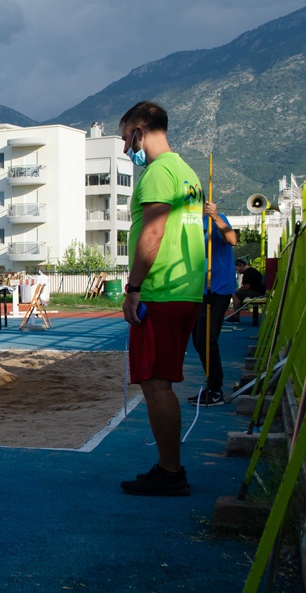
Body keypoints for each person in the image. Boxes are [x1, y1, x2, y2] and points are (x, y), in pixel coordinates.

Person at [118, 101, 205, 496]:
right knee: (162, 380)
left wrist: (133, 288)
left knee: (156, 384)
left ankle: (171, 473)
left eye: (125, 139)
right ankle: (169, 469)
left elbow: (152, 234)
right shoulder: (186, 172)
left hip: (160, 292)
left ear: (139, 129)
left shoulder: (156, 173)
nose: (125, 150)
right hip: (185, 291)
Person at [189, 202, 238, 406]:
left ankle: (216, 390)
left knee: (207, 339)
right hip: (200, 290)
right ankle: (212, 384)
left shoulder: (217, 219)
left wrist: (216, 216)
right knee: (198, 340)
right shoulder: (189, 224)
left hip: (218, 288)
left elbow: (232, 240)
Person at [226, 258, 265, 323]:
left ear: (241, 265)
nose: (238, 272)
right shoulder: (252, 271)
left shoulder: (248, 272)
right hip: (259, 291)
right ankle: (235, 316)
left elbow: (246, 287)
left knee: (235, 294)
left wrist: (237, 290)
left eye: (237, 269)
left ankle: (235, 317)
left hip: (257, 292)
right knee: (239, 294)